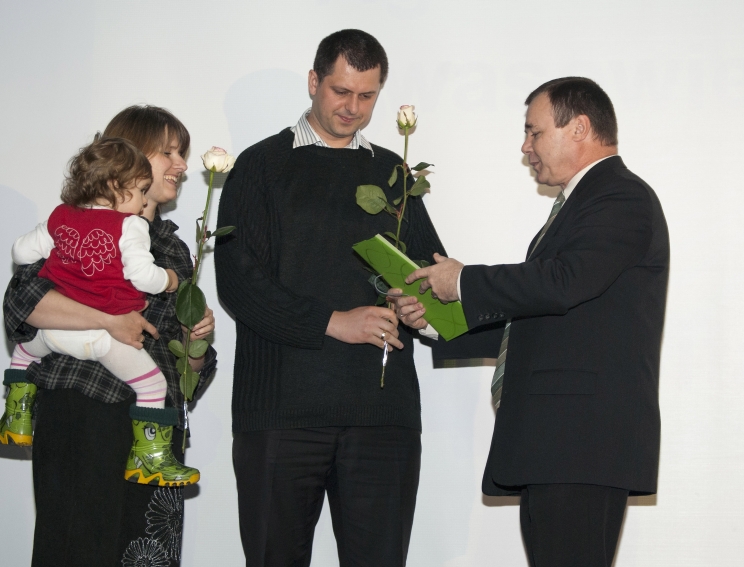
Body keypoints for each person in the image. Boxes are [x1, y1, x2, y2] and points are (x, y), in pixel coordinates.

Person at [397, 77, 669, 567]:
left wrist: (463, 280)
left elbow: (560, 283)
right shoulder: (586, 204)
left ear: (579, 128)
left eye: (534, 132)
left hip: (583, 447)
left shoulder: (620, 197)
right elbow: (538, 318)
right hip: (561, 448)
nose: (525, 147)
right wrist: (436, 322)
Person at [214, 29, 445, 566]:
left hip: (382, 413)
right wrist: (333, 321)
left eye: (367, 96)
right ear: (314, 81)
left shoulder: (394, 173)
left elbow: (430, 275)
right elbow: (239, 283)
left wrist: (422, 311)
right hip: (281, 410)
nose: (353, 108)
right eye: (341, 91)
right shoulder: (259, 166)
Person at [2, 105, 217, 566]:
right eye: (169, 152)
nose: (182, 165)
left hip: (152, 430)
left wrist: (196, 343)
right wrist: (108, 321)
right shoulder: (75, 225)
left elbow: (185, 371)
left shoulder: (174, 247)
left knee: (145, 554)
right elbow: (23, 303)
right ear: (129, 158)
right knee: (77, 550)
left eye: (182, 153)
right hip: (85, 414)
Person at [0, 135, 200, 486]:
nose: (143, 199)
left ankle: (15, 417)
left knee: (23, 351)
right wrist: (170, 280)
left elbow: (21, 253)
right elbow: (143, 278)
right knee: (152, 385)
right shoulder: (130, 226)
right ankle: (148, 457)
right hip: (100, 345)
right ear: (117, 184)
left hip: (52, 337)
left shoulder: (61, 215)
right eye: (140, 189)